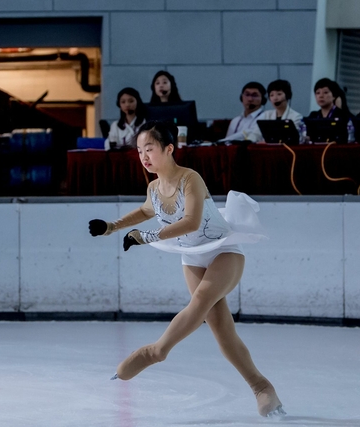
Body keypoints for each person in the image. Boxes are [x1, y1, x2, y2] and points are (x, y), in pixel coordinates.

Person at [89, 120, 285, 418]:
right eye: (139, 150)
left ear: (169, 149)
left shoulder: (190, 178)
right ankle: (261, 387)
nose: (143, 156)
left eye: (149, 149)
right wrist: (111, 226)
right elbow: (145, 210)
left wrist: (146, 236)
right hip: (192, 258)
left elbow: (192, 222)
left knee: (201, 300)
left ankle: (157, 350)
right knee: (222, 330)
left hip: (223, 251)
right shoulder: (154, 187)